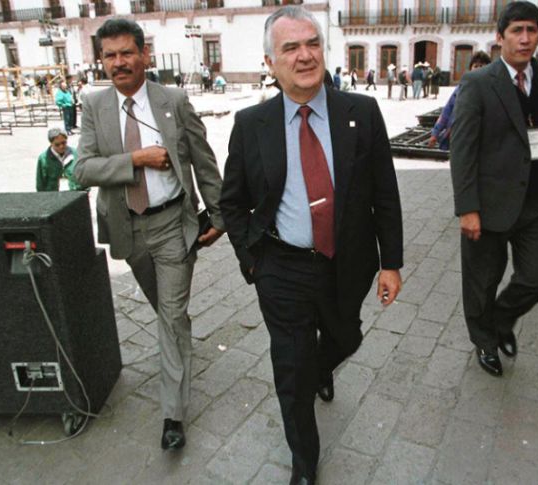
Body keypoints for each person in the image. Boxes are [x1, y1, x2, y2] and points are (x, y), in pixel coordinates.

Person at [219, 6, 403, 484]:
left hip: (347, 262)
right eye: (290, 48)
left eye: (312, 43)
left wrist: (392, 263)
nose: (305, 56)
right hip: (281, 267)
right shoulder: (251, 123)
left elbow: (385, 191)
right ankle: (305, 463)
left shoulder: (360, 113)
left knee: (348, 338)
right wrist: (251, 258)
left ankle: (323, 368)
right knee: (292, 372)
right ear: (270, 63)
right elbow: (232, 202)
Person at [74, 18, 225, 451]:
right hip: (128, 229)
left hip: (172, 225)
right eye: (110, 55)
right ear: (100, 60)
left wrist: (219, 215)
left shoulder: (173, 100)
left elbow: (203, 159)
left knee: (171, 315)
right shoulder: (93, 105)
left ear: (144, 55)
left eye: (126, 53)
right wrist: (136, 159)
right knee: (167, 311)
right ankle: (179, 342)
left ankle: (172, 415)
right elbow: (82, 169)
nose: (119, 63)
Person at [450, 1, 538, 378]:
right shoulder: (478, 83)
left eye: (531, 31)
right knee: (481, 283)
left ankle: (501, 319)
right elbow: (462, 151)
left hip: (537, 203)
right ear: (500, 36)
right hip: (489, 206)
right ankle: (485, 341)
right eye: (517, 31)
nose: (525, 39)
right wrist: (467, 208)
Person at [428, 51, 491, 150]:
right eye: (476, 66)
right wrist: (435, 133)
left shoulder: (492, 91)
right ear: (470, 68)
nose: (479, 69)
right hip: (459, 136)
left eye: (482, 66)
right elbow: (447, 110)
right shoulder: (461, 88)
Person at [36, 127, 85, 192]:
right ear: (51, 143)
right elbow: (40, 183)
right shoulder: (43, 159)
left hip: (74, 193)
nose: (61, 146)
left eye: (63, 143)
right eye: (57, 144)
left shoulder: (76, 154)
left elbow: (84, 176)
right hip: (53, 195)